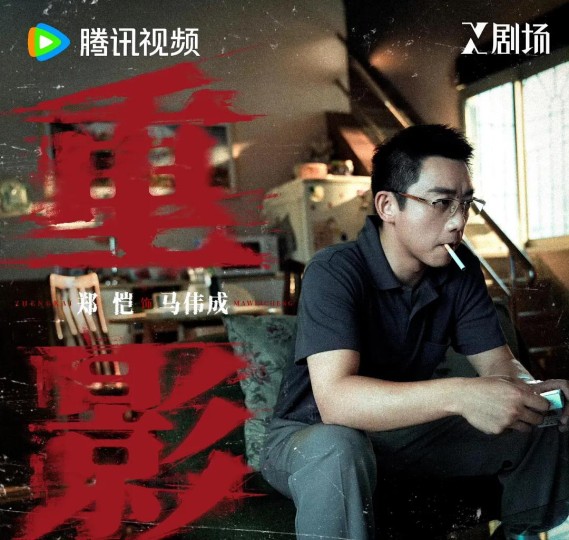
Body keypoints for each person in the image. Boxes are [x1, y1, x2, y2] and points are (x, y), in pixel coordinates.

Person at [260, 124, 569, 540]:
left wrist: (533, 393)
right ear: (388, 205)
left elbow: (499, 364)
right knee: (339, 447)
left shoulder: (459, 269)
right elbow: (336, 402)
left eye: (467, 203)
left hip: (402, 435)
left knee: (540, 431)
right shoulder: (334, 270)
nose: (458, 221)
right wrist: (461, 394)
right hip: (310, 436)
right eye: (441, 203)